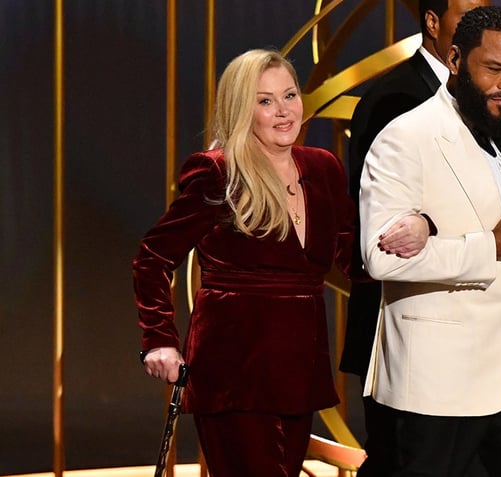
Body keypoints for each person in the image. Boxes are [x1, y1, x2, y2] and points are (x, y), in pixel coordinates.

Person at [133, 48, 427, 477]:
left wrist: (422, 231)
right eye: (265, 101)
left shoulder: (322, 167)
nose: (283, 111)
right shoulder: (219, 171)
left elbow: (354, 258)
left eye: (289, 95)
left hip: (299, 369)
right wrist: (159, 338)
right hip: (234, 372)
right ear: (241, 108)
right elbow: (152, 258)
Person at [359, 6, 501, 476]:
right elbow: (380, 260)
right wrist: (490, 247)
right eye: (492, 69)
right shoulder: (405, 138)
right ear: (454, 59)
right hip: (439, 377)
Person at [340, 1, 489, 474]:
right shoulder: (392, 97)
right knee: (399, 461)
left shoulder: (489, 98)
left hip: (475, 325)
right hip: (403, 325)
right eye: (470, 15)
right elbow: (382, 226)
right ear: (431, 21)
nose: (481, 25)